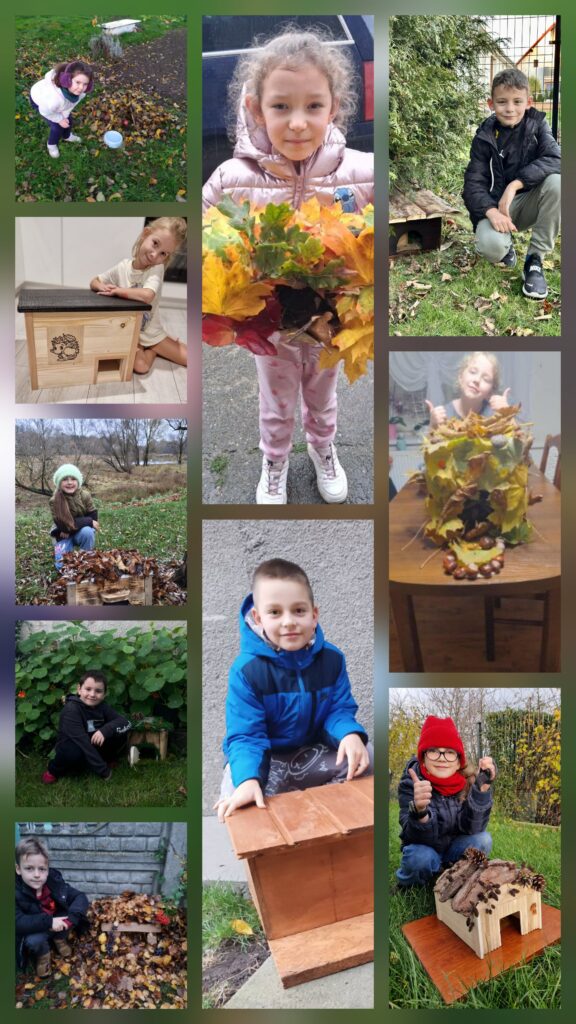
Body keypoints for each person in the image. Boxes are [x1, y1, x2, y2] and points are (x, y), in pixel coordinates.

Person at [203, 28, 374, 504]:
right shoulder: (232, 180)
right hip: (271, 327)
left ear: (333, 107)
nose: (298, 123)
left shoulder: (361, 172)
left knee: (322, 392)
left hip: (330, 320)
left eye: (313, 107)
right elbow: (201, 241)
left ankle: (323, 449)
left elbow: (398, 227)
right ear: (256, 108)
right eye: (281, 107)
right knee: (276, 401)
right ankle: (274, 460)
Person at [215, 558, 373, 821]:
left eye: (299, 610)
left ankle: (322, 817)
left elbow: (339, 708)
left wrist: (348, 733)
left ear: (314, 614)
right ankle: (264, 841)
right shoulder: (246, 671)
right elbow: (246, 736)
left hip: (308, 755)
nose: (288, 621)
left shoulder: (332, 659)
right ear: (258, 617)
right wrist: (248, 779)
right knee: (237, 788)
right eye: (275, 612)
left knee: (365, 754)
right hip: (267, 759)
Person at [463, 68, 561, 301]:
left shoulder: (538, 126)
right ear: (490, 103)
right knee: (491, 248)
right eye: (502, 102)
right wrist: (491, 211)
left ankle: (534, 261)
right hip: (496, 209)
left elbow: (556, 159)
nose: (509, 108)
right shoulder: (483, 137)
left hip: (528, 202)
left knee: (558, 183)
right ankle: (505, 250)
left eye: (517, 101)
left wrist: (514, 185)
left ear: (528, 102)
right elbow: (473, 184)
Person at [396, 715, 496, 887]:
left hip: (453, 850)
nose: (442, 758)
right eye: (434, 750)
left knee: (483, 839)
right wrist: (420, 812)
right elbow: (410, 835)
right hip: (425, 849)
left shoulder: (466, 783)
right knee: (419, 858)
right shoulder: (411, 784)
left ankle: (452, 872)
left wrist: (481, 789)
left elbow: (472, 828)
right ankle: (409, 884)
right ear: (423, 759)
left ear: (458, 762)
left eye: (450, 752)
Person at [90, 217, 187, 375]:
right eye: (155, 243)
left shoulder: (156, 268)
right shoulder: (122, 267)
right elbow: (95, 280)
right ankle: (154, 350)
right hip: (130, 332)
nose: (154, 255)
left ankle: (156, 346)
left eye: (163, 253)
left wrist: (118, 291)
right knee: (141, 367)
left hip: (151, 331)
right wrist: (102, 286)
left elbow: (147, 295)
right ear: (145, 234)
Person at [16, 836, 90, 977]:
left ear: (48, 869)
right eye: (29, 868)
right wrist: (49, 922)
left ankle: (60, 939)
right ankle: (43, 956)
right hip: (36, 927)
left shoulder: (54, 881)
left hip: (56, 922)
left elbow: (80, 896)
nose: (37, 875)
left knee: (75, 912)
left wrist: (71, 919)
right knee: (33, 941)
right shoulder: (14, 891)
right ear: (18, 869)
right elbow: (17, 921)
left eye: (42, 869)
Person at [42, 671, 132, 784]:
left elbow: (125, 722)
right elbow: (84, 743)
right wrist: (104, 771)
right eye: (88, 689)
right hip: (75, 745)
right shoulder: (71, 710)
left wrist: (104, 731)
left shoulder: (102, 706)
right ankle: (53, 771)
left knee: (118, 732)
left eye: (98, 691)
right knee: (72, 753)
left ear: (104, 694)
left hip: (92, 743)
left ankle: (107, 759)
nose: (93, 694)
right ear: (79, 689)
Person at [425, 351, 512, 429]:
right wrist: (433, 425)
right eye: (473, 372)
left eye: (486, 379)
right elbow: (429, 446)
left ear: (490, 392)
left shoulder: (495, 415)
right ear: (460, 377)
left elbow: (520, 445)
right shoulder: (444, 415)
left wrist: (508, 416)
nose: (477, 380)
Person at [30, 60, 94, 159]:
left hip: (59, 104)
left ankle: (67, 136)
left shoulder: (80, 93)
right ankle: (51, 145)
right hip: (40, 102)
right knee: (57, 127)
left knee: (68, 120)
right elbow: (45, 111)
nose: (81, 87)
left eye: (85, 84)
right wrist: (59, 119)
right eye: (77, 82)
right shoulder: (53, 99)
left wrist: (65, 115)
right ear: (68, 79)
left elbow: (71, 105)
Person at [49, 463, 99, 570]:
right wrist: (88, 521)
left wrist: (89, 521)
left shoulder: (85, 495)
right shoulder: (54, 501)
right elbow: (64, 526)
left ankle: (85, 557)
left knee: (88, 532)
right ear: (59, 483)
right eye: (65, 479)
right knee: (61, 566)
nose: (69, 482)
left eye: (73, 479)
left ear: (78, 482)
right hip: (62, 535)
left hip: (79, 532)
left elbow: (93, 514)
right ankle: (64, 560)